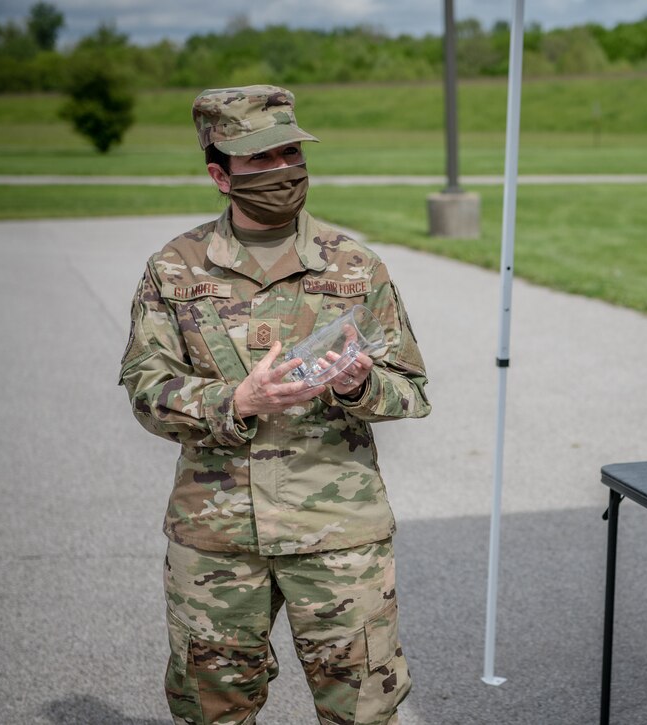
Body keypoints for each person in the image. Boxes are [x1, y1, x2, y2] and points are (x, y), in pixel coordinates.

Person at [118, 85, 431, 725]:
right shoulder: (174, 269)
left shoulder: (355, 266)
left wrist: (360, 386)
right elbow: (147, 389)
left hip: (337, 534)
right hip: (218, 537)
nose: (283, 170)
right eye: (260, 159)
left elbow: (411, 389)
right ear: (221, 175)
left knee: (364, 712)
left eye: (290, 153)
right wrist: (235, 400)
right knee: (212, 711)